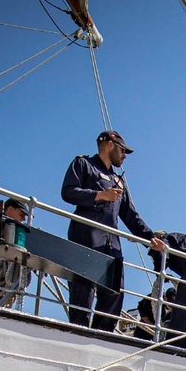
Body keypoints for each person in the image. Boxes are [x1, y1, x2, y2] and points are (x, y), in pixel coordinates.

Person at [60, 129, 167, 331]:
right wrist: (100, 195)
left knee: (115, 291)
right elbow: (68, 192)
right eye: (122, 150)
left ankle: (103, 335)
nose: (124, 155)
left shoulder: (119, 180)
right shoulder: (83, 164)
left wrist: (151, 238)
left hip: (112, 243)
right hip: (86, 237)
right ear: (110, 144)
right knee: (83, 290)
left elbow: (130, 216)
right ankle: (78, 332)